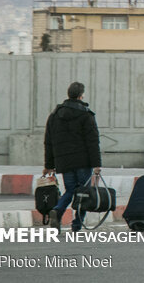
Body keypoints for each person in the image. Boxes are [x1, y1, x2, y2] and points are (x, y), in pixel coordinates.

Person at [43, 81, 101, 233]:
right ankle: (76, 225)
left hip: (64, 161)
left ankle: (58, 209)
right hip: (83, 161)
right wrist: (97, 164)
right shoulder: (86, 115)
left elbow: (48, 141)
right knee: (83, 193)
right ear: (81, 96)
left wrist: (49, 164)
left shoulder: (54, 115)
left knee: (70, 190)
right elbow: (93, 141)